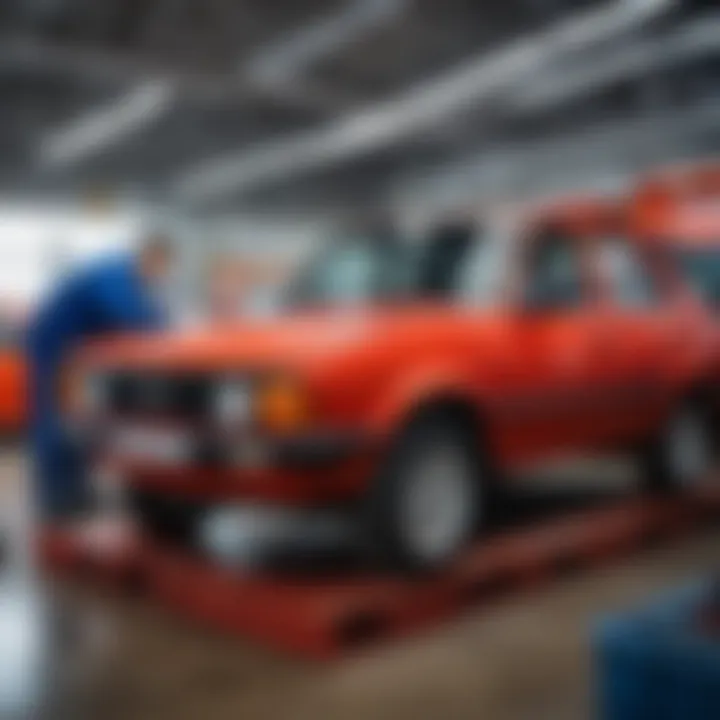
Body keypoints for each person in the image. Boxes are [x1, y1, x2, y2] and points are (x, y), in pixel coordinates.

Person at [27, 233, 174, 524]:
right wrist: (164, 330)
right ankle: (56, 499)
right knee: (56, 421)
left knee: (78, 422)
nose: (158, 277)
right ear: (149, 257)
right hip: (54, 349)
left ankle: (74, 492)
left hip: (74, 355)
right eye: (159, 269)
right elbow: (124, 312)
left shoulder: (126, 278)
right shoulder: (114, 274)